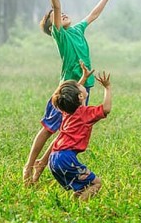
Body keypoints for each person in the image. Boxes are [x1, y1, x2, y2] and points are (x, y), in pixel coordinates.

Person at [23, 0, 118, 185]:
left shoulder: (77, 30)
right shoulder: (61, 35)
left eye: (63, 13)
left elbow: (93, 14)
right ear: (52, 26)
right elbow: (56, 6)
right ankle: (29, 165)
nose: (62, 14)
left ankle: (42, 165)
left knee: (67, 129)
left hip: (83, 88)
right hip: (67, 90)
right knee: (49, 128)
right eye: (55, 16)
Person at [48, 65, 112, 201]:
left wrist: (84, 77)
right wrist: (107, 88)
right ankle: (80, 210)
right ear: (80, 96)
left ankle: (74, 204)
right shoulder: (85, 114)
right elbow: (106, 108)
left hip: (53, 158)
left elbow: (71, 94)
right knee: (96, 183)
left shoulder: (67, 111)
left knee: (82, 187)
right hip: (66, 158)